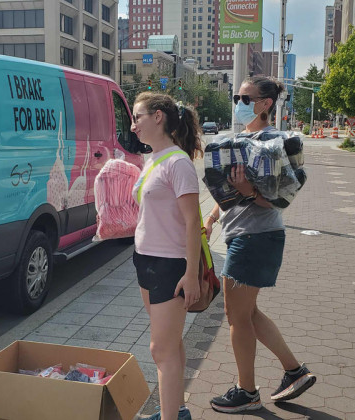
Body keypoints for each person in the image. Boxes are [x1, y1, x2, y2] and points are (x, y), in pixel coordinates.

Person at [204, 76, 316, 413]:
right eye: (236, 95)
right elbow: (226, 191)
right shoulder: (239, 140)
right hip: (247, 237)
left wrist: (251, 191)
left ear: (265, 103)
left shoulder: (273, 144)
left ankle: (247, 393)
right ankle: (295, 372)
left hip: (255, 238)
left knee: (236, 316)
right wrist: (210, 218)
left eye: (244, 97)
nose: (238, 101)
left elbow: (281, 199)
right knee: (248, 313)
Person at [130, 92, 203, 420]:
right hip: (144, 259)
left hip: (170, 265)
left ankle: (170, 416)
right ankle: (177, 410)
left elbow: (193, 222)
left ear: (158, 117)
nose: (133, 126)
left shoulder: (178, 162)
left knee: (160, 350)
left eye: (138, 117)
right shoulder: (152, 159)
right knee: (171, 344)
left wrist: (192, 273)